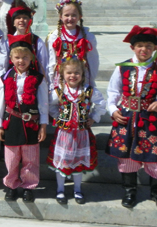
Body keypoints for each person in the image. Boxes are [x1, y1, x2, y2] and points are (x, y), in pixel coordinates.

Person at [105, 26, 157, 211]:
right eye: (140, 45)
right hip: (126, 118)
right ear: (133, 48)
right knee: (127, 158)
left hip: (149, 119)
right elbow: (113, 91)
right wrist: (112, 109)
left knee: (155, 155)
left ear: (154, 49)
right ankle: (129, 191)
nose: (144, 49)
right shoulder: (122, 69)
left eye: (149, 46)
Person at [0, 33, 48, 202]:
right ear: (11, 58)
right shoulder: (5, 78)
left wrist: (43, 125)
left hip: (31, 124)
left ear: (31, 58)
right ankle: (11, 185)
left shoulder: (38, 78)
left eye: (25, 57)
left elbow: (43, 104)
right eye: (17, 57)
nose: (21, 61)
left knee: (30, 159)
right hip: (11, 123)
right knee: (11, 159)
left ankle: (28, 186)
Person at [46, 58, 105, 205]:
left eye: (77, 72)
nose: (73, 76)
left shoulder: (88, 91)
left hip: (81, 134)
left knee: (78, 162)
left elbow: (101, 104)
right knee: (62, 162)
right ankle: (60, 189)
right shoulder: (59, 92)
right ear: (63, 74)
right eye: (69, 73)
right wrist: (59, 116)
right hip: (64, 135)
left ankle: (77, 189)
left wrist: (93, 117)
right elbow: (50, 105)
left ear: (82, 74)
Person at [47, 0, 99, 90]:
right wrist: (51, 82)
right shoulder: (54, 37)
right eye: (66, 15)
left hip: (81, 77)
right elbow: (52, 61)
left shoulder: (88, 37)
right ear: (60, 17)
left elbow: (93, 60)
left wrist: (91, 80)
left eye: (74, 15)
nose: (70, 19)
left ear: (80, 16)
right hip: (61, 78)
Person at [8, 6, 49, 80]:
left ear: (30, 21)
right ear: (13, 22)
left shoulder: (37, 42)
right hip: (13, 79)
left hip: (33, 80)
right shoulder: (7, 41)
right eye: (18, 17)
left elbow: (44, 65)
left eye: (25, 17)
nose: (21, 20)